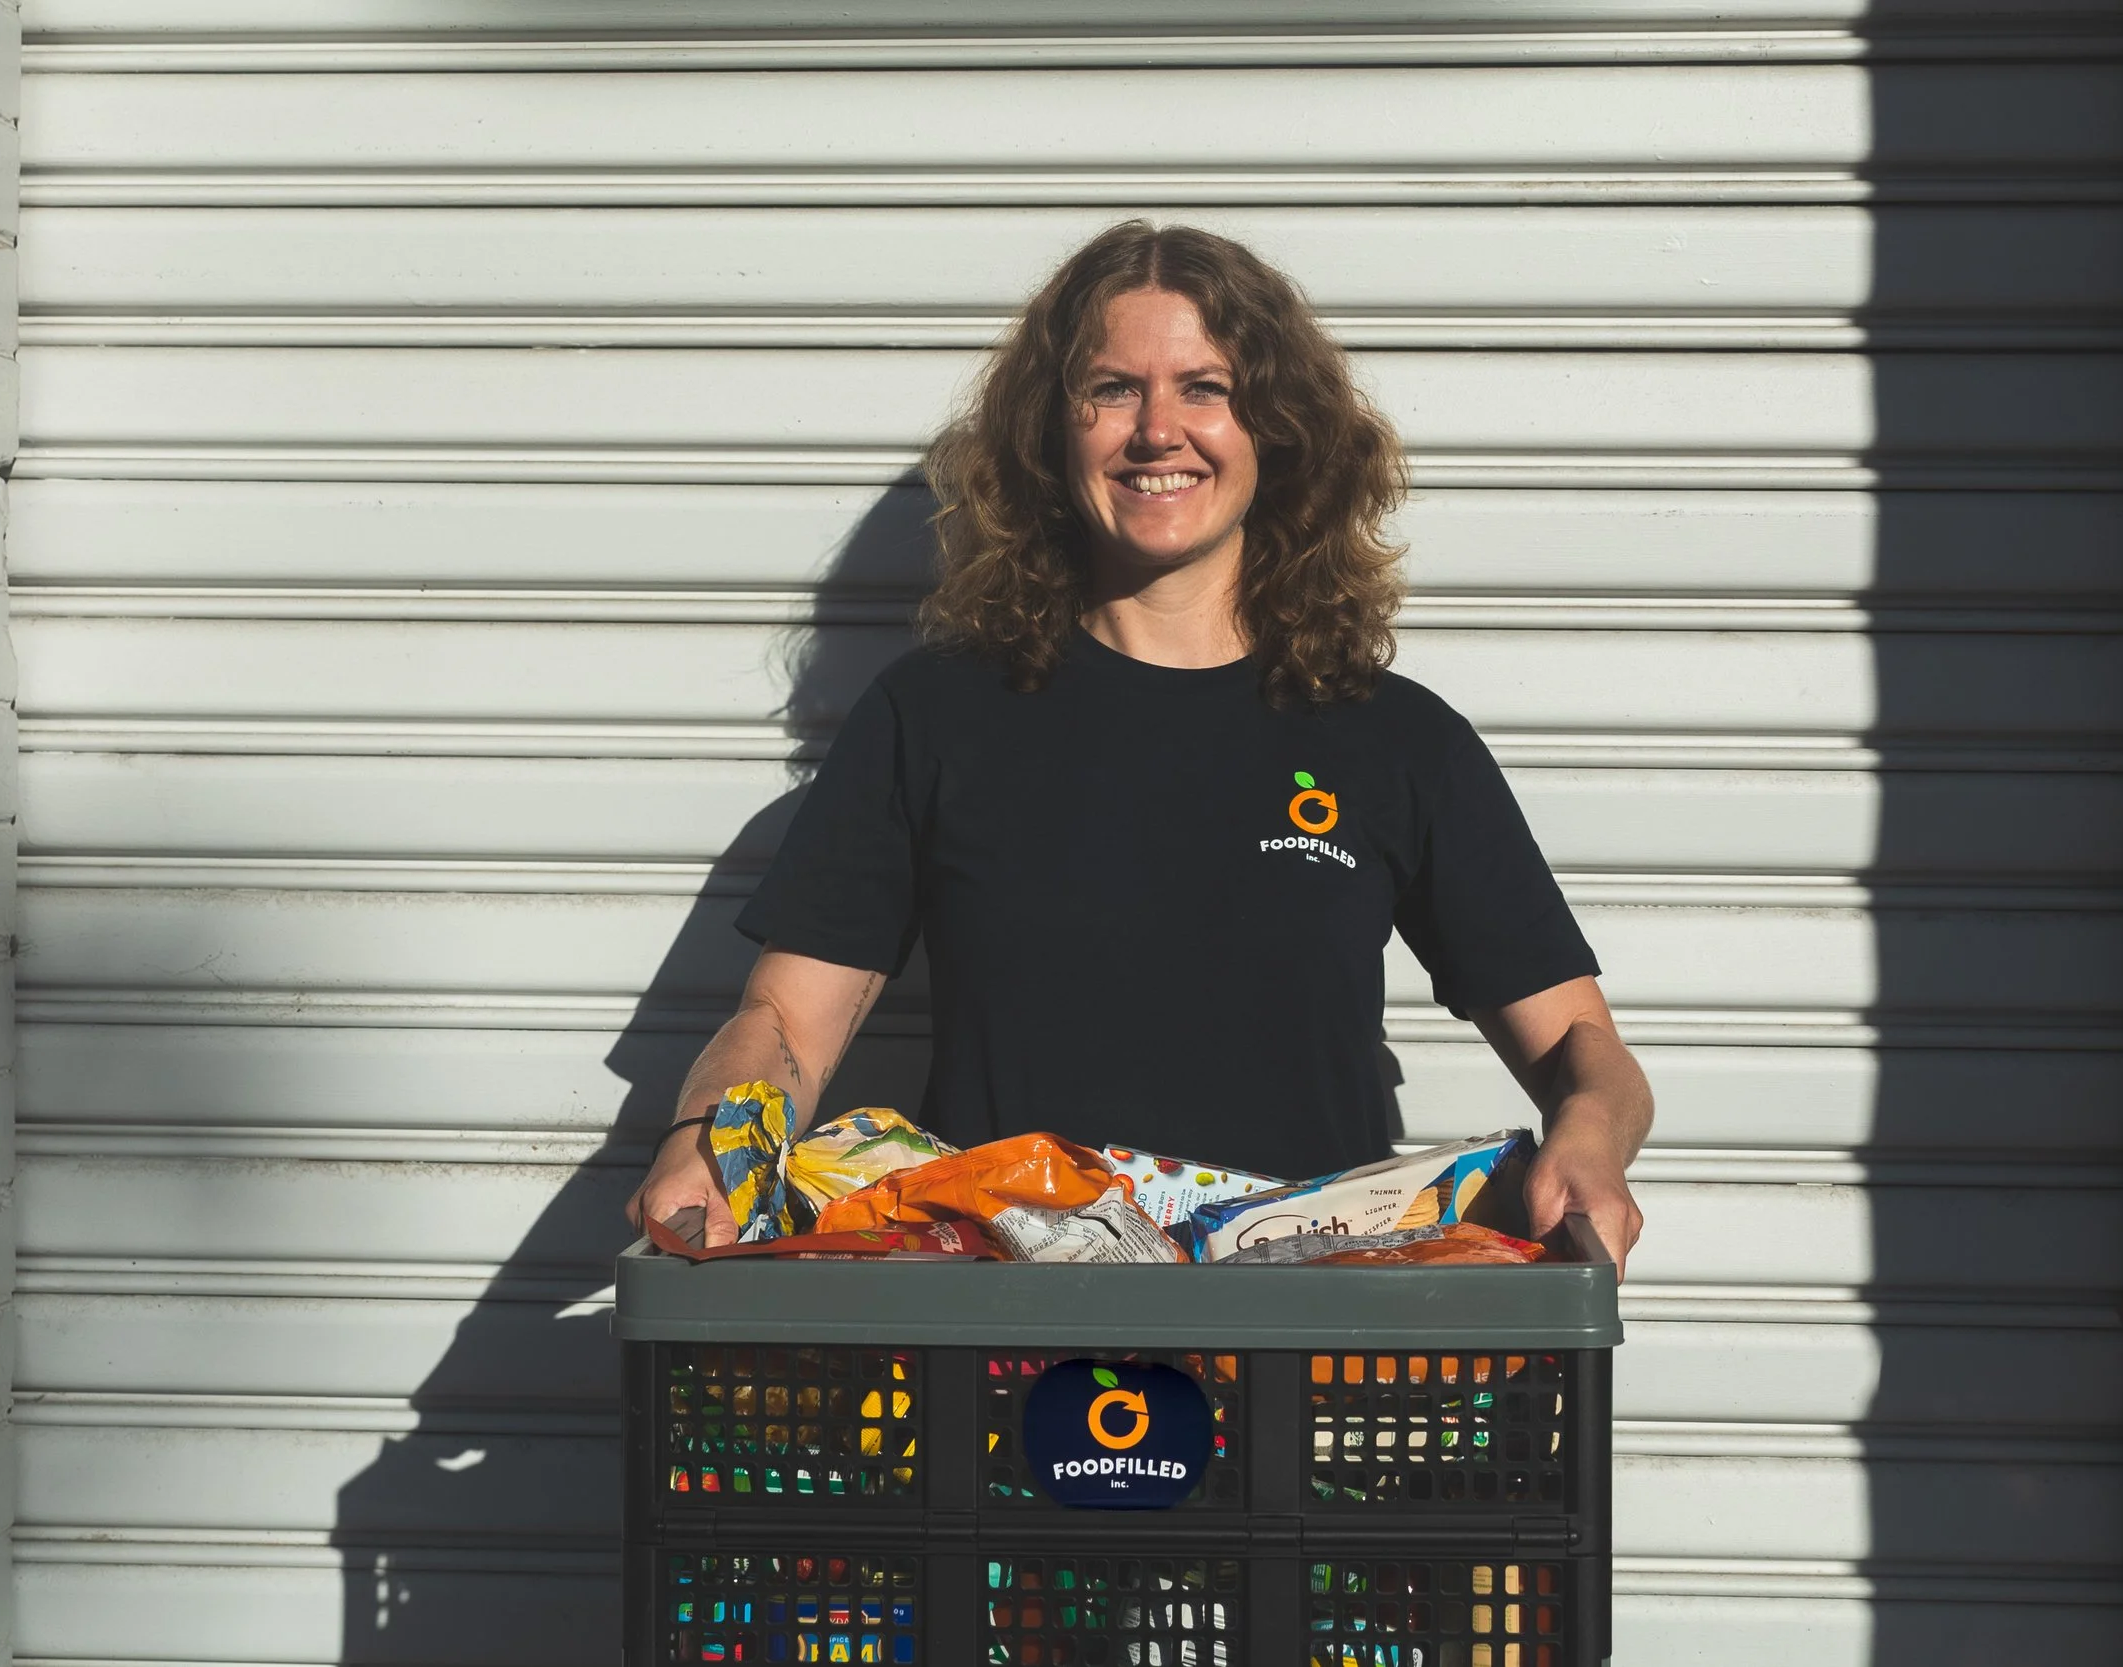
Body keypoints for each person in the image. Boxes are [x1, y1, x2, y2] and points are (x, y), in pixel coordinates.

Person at [625, 221, 1652, 1272]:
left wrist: (1592, 1138)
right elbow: (783, 1025)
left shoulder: (1394, 739)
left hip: (1299, 1343)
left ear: (1277, 428)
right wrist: (702, 1148)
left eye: (1205, 387)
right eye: (1112, 388)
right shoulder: (934, 717)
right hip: (998, 1339)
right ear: (1052, 432)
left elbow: (1585, 1050)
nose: (1158, 430)